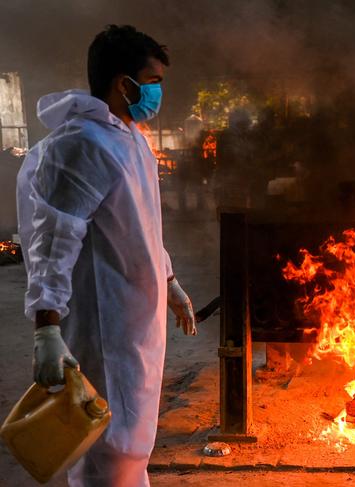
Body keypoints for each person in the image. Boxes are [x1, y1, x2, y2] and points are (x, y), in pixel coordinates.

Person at [16, 25, 197, 487]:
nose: (157, 92)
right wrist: (47, 329)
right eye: (152, 80)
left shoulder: (129, 138)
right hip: (105, 328)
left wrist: (168, 278)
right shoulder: (81, 146)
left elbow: (140, 222)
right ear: (123, 83)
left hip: (136, 323)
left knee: (131, 445)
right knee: (106, 447)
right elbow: (53, 243)